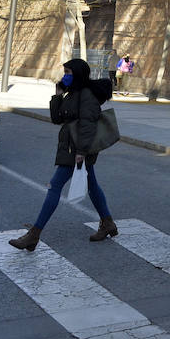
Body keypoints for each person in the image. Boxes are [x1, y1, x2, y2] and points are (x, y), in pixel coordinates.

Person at [9, 58, 117, 250]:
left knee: (55, 187)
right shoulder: (72, 93)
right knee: (92, 184)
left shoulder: (86, 95)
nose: (65, 76)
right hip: (71, 146)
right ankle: (107, 223)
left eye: (68, 73)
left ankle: (34, 235)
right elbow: (56, 118)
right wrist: (57, 95)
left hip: (77, 149)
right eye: (64, 72)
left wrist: (81, 152)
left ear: (78, 74)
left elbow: (88, 125)